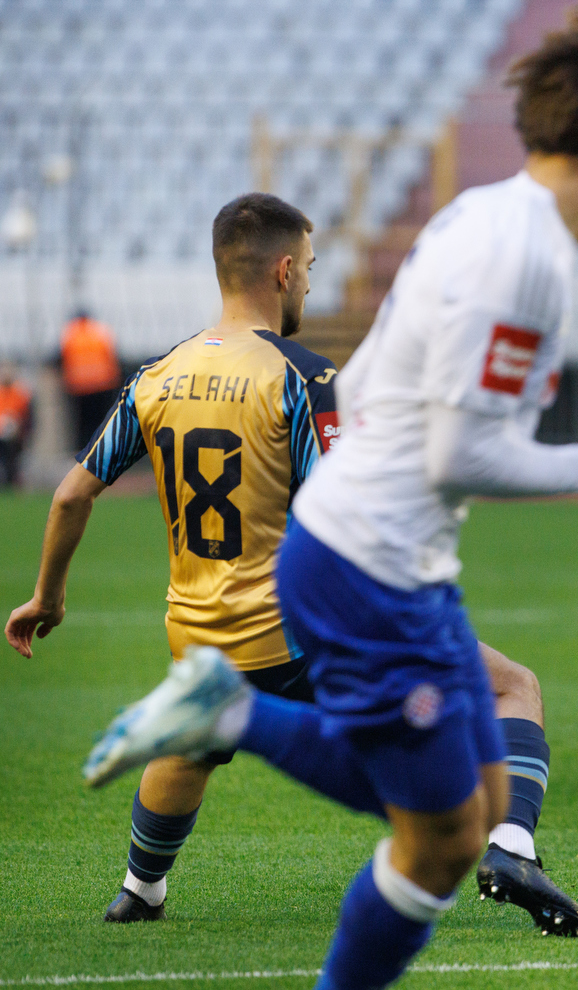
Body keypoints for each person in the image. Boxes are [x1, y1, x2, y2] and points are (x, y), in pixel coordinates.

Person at [79, 7, 578, 989]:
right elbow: (462, 453)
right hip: (367, 565)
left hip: (398, 555)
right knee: (434, 826)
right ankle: (225, 713)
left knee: (470, 823)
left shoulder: (478, 213)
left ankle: (229, 717)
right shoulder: (528, 260)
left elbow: (384, 403)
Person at [7, 194, 335, 922]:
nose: (312, 282)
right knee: (467, 694)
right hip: (290, 635)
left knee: (191, 745)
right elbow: (339, 514)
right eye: (310, 268)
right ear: (283, 272)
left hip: (196, 630)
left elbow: (68, 497)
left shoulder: (158, 375)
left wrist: (47, 598)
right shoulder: (300, 376)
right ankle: (498, 843)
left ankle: (140, 889)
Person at [59, 310, 122, 452]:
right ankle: (102, 453)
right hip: (102, 384)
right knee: (101, 422)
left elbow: (62, 358)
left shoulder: (70, 332)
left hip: (79, 386)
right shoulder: (101, 331)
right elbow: (111, 354)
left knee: (81, 425)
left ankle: (83, 456)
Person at [0, 361, 32, 489]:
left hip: (15, 435)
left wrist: (23, 431)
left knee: (13, 461)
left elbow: (27, 416)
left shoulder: (20, 394)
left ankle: (12, 483)